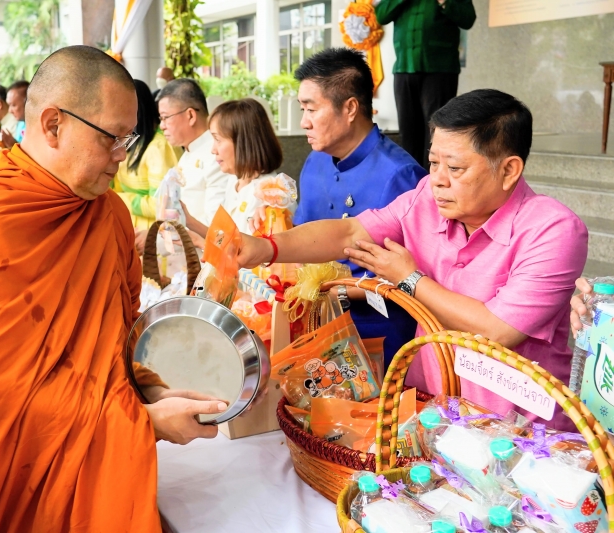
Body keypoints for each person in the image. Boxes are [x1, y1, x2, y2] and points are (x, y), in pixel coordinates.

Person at [0, 45, 225, 533]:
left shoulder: (108, 214)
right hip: (19, 476)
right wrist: (144, 423)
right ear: (52, 124)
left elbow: (116, 335)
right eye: (112, 138)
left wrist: (149, 386)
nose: (121, 159)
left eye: (129, 139)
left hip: (96, 459)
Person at [237, 89, 588, 430]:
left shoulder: (553, 229)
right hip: (431, 410)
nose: (437, 180)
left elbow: (496, 330)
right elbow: (348, 233)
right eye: (433, 162)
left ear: (509, 170)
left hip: (519, 430)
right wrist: (267, 248)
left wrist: (410, 278)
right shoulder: (425, 199)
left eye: (455, 168)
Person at [293, 47, 424, 364]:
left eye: (311, 109)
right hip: (314, 326)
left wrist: (335, 291)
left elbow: (416, 276)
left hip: (376, 339)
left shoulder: (400, 175)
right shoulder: (315, 161)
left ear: (350, 108)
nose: (303, 122)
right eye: (302, 109)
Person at [376, 0, 476, 167]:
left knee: (436, 128)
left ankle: (433, 182)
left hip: (439, 68)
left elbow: (468, 19)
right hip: (404, 67)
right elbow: (381, 15)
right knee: (408, 130)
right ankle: (411, 183)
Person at [183, 98, 286, 235]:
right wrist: (189, 222)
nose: (213, 150)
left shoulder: (271, 194)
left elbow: (245, 251)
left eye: (218, 140)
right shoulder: (234, 181)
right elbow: (223, 238)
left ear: (243, 142)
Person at [157, 79, 230, 226]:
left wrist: (161, 238)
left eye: (165, 117)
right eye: (160, 119)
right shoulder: (188, 152)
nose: (162, 125)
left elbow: (215, 225)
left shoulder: (216, 155)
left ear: (190, 115)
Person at [111, 79, 178, 233]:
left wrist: (120, 199)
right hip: (127, 227)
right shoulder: (128, 140)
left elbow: (162, 205)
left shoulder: (159, 147)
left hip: (150, 236)